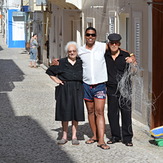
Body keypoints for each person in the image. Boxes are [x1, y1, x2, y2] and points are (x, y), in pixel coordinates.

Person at [46, 41, 85, 145]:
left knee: (76, 113)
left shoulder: (82, 62)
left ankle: (74, 136)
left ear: (77, 51)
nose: (72, 53)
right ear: (67, 52)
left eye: (74, 51)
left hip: (78, 88)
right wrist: (57, 81)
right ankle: (64, 136)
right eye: (70, 51)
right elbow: (50, 72)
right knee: (65, 112)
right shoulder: (61, 62)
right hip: (65, 88)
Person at [105, 33, 135, 147]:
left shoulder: (126, 55)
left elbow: (134, 68)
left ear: (119, 44)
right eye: (112, 43)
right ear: (109, 44)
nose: (114, 45)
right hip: (111, 88)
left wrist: (132, 61)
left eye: (116, 43)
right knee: (112, 113)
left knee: (126, 113)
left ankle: (127, 138)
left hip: (125, 89)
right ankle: (115, 136)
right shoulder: (105, 56)